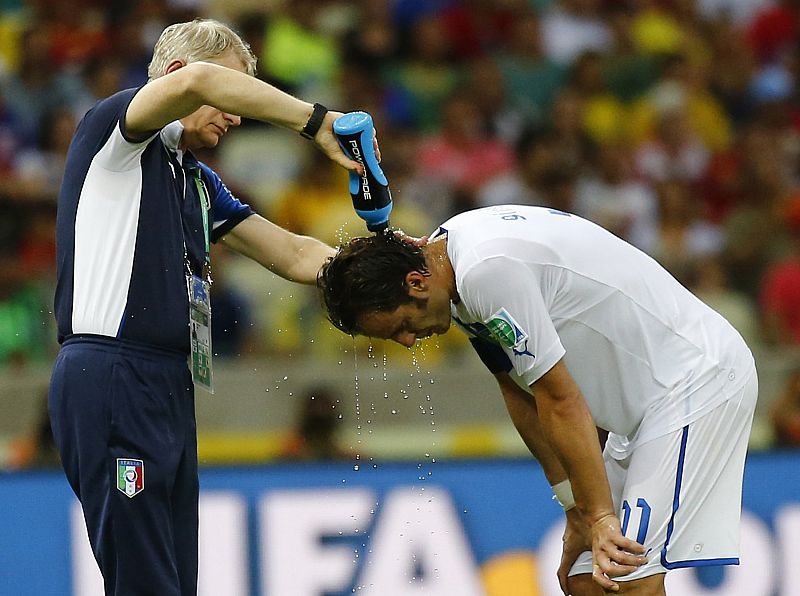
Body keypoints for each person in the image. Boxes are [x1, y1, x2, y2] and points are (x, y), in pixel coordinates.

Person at [48, 18, 369, 596]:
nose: (237, 114)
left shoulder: (193, 180)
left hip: (169, 388)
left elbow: (296, 254)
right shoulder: (114, 136)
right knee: (144, 582)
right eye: (232, 91)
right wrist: (316, 121)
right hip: (115, 376)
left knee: (173, 583)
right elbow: (201, 80)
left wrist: (394, 269)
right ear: (177, 78)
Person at [318, 204, 758, 595]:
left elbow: (560, 400)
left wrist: (600, 517)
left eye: (401, 326)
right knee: (585, 580)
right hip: (645, 412)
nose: (409, 340)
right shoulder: (449, 268)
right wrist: (576, 510)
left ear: (415, 283)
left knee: (627, 577)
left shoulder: (487, 272)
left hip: (693, 383)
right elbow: (517, 389)